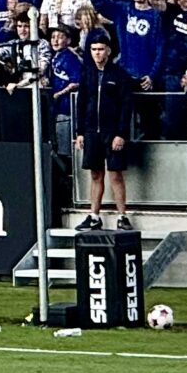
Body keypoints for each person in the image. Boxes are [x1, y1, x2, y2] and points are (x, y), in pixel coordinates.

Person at [73, 30, 141, 231]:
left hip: (112, 132)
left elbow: (126, 106)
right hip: (92, 130)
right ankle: (94, 215)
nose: (97, 54)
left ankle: (122, 215)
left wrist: (121, 133)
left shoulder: (119, 75)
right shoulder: (87, 73)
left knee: (115, 174)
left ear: (109, 51)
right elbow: (81, 102)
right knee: (95, 174)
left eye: (101, 49)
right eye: (94, 50)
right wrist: (80, 132)